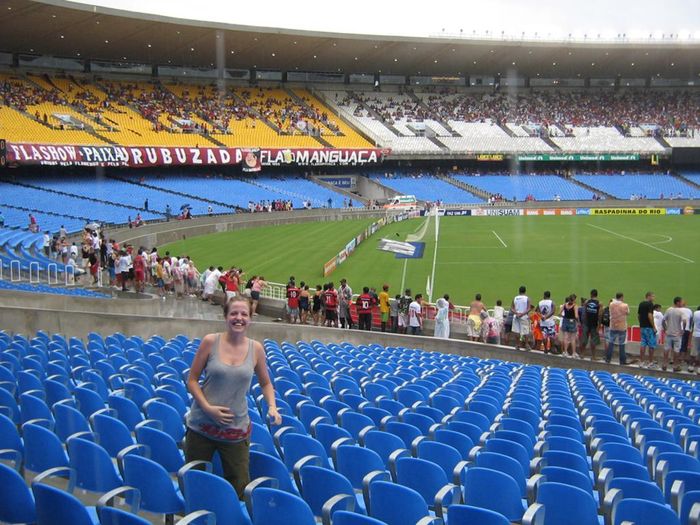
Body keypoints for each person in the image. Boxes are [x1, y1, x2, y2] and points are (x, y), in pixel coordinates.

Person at [185, 296, 281, 498]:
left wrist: (272, 406)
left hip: (235, 430)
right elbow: (192, 380)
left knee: (238, 487)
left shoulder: (256, 349)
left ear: (250, 318)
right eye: (234, 313)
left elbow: (265, 382)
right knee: (194, 483)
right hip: (201, 427)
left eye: (244, 314)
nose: (239, 318)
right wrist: (208, 408)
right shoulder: (210, 342)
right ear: (226, 317)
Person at [606, 292, 629, 365]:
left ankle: (608, 359)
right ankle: (622, 360)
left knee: (611, 342)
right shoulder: (625, 305)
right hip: (622, 327)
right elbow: (628, 313)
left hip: (613, 326)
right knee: (621, 344)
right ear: (621, 297)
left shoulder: (611, 304)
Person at [581, 289, 603, 361]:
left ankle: (582, 354)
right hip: (594, 324)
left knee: (584, 339)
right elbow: (600, 315)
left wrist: (583, 323)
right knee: (593, 341)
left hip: (586, 323)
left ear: (591, 294)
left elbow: (584, 313)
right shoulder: (599, 303)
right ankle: (593, 356)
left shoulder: (587, 302)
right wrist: (599, 325)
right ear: (597, 295)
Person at [637, 291, 657, 369]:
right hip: (649, 327)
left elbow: (638, 315)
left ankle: (641, 362)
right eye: (653, 296)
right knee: (651, 345)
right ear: (648, 296)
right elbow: (650, 315)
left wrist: (641, 323)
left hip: (642, 327)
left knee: (643, 344)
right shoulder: (650, 304)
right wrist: (654, 327)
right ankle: (650, 362)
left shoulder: (641, 304)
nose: (654, 298)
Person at [511, 286, 533, 351]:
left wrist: (516, 313)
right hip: (524, 316)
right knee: (525, 331)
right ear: (525, 291)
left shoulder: (515, 298)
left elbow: (512, 308)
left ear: (519, 291)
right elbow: (529, 308)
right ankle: (526, 344)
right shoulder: (527, 298)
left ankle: (517, 344)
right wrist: (522, 314)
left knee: (517, 331)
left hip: (516, 316)